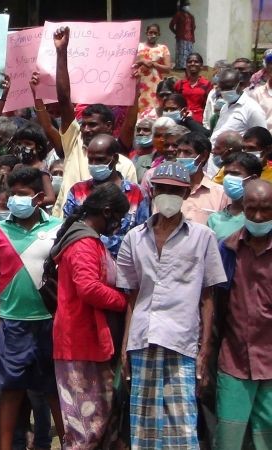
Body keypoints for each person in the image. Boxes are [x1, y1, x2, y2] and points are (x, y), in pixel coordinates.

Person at [117, 161, 227, 449]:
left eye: (175, 190)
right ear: (152, 191)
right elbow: (132, 295)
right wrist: (125, 346)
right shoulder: (134, 238)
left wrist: (205, 350)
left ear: (187, 193)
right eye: (162, 189)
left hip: (182, 339)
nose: (167, 195)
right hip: (143, 337)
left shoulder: (204, 238)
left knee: (181, 420)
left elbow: (207, 298)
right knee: (144, 420)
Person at [0, 167, 64, 450]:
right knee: (11, 392)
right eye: (12, 194)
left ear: (39, 197)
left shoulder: (56, 228)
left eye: (23, 194)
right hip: (12, 322)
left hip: (49, 321)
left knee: (53, 390)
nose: (17, 199)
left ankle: (67, 443)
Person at [49, 182, 129, 449]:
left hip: (88, 340)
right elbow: (88, 287)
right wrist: (126, 302)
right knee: (86, 427)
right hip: (80, 341)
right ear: (107, 212)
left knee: (100, 422)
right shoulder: (84, 243)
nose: (118, 224)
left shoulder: (86, 239)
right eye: (118, 218)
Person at [48, 27, 138, 217]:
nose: (86, 129)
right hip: (67, 230)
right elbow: (64, 99)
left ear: (109, 126)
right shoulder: (74, 142)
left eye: (93, 125)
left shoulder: (125, 165)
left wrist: (136, 88)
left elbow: (131, 207)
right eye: (84, 124)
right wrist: (61, 52)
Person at [215, 179, 272, 450]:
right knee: (229, 440)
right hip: (234, 362)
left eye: (266, 209)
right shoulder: (228, 249)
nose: (259, 217)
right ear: (242, 209)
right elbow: (216, 304)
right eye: (252, 209)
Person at [64, 134, 150, 257]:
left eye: (99, 160)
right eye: (90, 160)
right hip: (84, 259)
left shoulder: (136, 193)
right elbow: (68, 229)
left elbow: (143, 237)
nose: (93, 165)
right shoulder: (77, 191)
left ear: (114, 159)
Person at [173, 132, 229, 225]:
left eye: (187, 152)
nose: (180, 157)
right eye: (179, 152)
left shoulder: (221, 194)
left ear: (203, 156)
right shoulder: (168, 190)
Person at [207, 152, 263, 241]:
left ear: (253, 179)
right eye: (226, 173)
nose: (228, 178)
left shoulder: (264, 218)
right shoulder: (214, 219)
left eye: (235, 173)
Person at [210, 68, 266, 147]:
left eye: (228, 88)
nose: (225, 91)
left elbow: (261, 141)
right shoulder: (225, 107)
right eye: (222, 88)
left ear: (241, 85)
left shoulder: (253, 109)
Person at [135, 24, 172, 112]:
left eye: (155, 33)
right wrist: (142, 61)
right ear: (146, 33)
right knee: (140, 106)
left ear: (159, 34)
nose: (153, 35)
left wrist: (154, 64)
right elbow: (131, 63)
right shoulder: (138, 47)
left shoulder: (163, 48)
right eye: (151, 32)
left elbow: (168, 69)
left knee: (156, 107)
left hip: (156, 84)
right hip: (140, 82)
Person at [174, 53, 212, 123]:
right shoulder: (180, 84)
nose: (192, 63)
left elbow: (208, 104)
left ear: (201, 66)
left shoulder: (207, 84)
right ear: (186, 65)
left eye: (196, 62)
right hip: (182, 118)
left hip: (200, 120)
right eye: (190, 62)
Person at [169, 1, 196, 70]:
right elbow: (171, 25)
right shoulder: (178, 14)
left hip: (190, 38)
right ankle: (181, 67)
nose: (187, 7)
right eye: (186, 5)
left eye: (188, 5)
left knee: (189, 52)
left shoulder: (191, 16)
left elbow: (194, 26)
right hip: (181, 37)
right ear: (182, 6)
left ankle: (188, 65)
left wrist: (191, 33)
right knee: (181, 53)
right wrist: (177, 33)